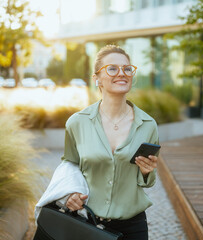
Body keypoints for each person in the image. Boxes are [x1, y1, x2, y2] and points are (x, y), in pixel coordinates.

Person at [36, 44, 159, 240]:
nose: (122, 73)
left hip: (133, 226)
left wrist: (146, 172)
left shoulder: (148, 125)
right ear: (97, 79)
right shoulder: (77, 123)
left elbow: (146, 181)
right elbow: (70, 166)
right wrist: (70, 195)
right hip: (88, 224)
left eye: (127, 69)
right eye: (112, 68)